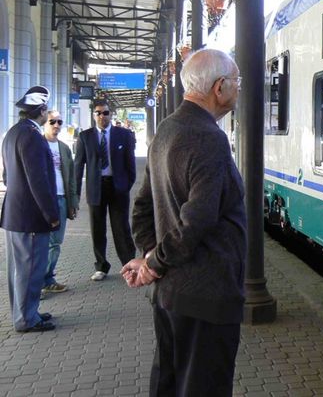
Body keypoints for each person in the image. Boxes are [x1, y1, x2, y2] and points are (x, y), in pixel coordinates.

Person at [121, 48, 246, 397]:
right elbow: (198, 219)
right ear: (219, 87)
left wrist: (149, 258)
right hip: (206, 296)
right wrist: (153, 264)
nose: (239, 88)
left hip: (171, 294)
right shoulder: (209, 138)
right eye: (236, 81)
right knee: (203, 386)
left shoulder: (168, 128)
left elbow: (141, 207)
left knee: (169, 381)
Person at [1, 86, 60, 332]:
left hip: (14, 214)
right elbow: (39, 180)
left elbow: (6, 177)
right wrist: (51, 215)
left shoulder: (12, 133)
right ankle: (26, 319)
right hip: (31, 217)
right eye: (46, 109)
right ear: (41, 111)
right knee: (31, 269)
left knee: (18, 270)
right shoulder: (33, 136)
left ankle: (26, 312)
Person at [75, 99, 136, 281]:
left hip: (118, 188)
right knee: (97, 228)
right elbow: (78, 167)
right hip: (96, 188)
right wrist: (75, 195)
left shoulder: (124, 135)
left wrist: (126, 186)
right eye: (98, 113)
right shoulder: (85, 137)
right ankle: (101, 266)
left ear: (111, 114)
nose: (102, 116)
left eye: (105, 113)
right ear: (94, 115)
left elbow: (130, 165)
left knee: (121, 228)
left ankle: (129, 265)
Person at [42, 110, 79, 295]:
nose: (56, 125)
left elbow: (71, 178)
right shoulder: (38, 145)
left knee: (55, 243)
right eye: (52, 122)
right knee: (44, 243)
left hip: (62, 199)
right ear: (45, 123)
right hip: (44, 201)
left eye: (59, 122)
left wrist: (73, 203)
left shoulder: (64, 148)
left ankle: (47, 279)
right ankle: (42, 281)